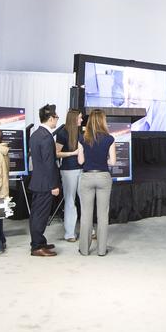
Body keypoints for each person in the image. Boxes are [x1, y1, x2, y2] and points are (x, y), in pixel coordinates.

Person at [76, 108, 118, 257]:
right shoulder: (109, 139)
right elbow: (113, 161)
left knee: (86, 215)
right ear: (102, 121)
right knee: (102, 215)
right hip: (103, 177)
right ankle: (101, 250)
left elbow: (80, 161)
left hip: (87, 177)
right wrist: (102, 160)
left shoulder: (82, 138)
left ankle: (84, 249)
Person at [27, 104, 61, 257]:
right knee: (40, 216)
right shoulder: (47, 138)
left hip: (37, 181)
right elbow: (49, 164)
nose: (57, 120)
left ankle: (39, 241)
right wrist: (54, 185)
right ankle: (36, 246)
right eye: (56, 117)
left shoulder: (35, 134)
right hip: (45, 183)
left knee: (36, 214)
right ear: (50, 118)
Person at [55, 108, 83, 243]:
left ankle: (88, 229)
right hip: (68, 171)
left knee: (85, 201)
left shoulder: (81, 132)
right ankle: (70, 233)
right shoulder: (62, 133)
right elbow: (56, 153)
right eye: (80, 118)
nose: (82, 120)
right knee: (70, 201)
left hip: (82, 169)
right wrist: (72, 154)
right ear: (74, 119)